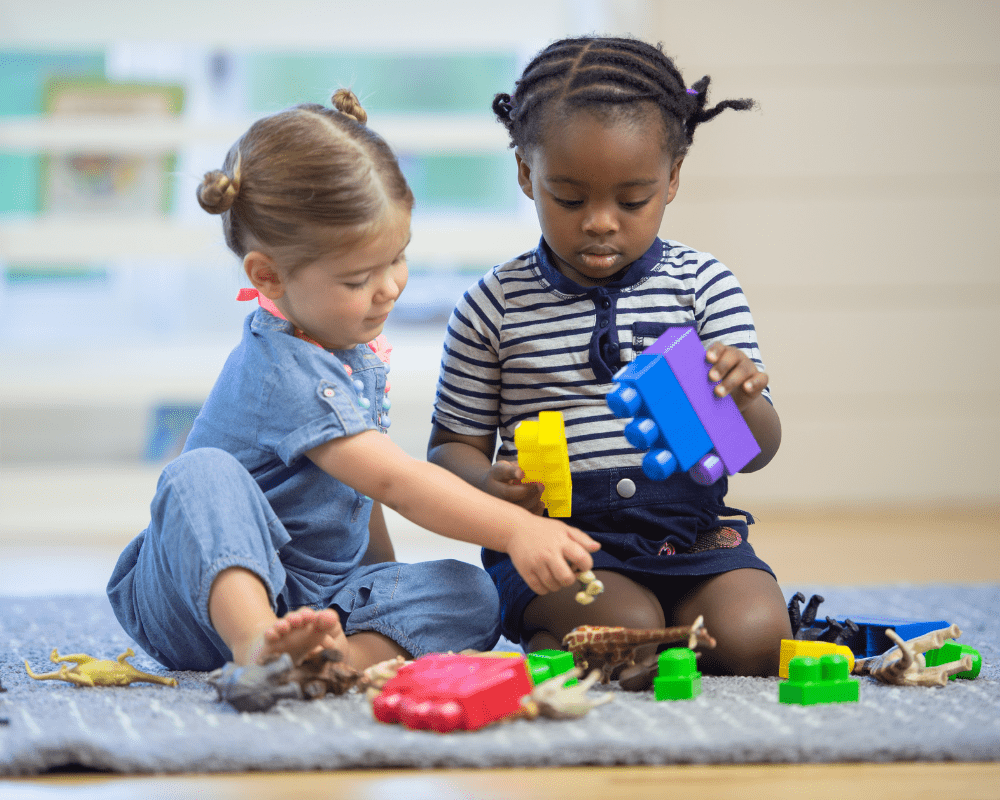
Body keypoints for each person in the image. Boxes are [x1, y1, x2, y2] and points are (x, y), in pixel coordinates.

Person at [107, 89, 599, 675]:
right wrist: (516, 527)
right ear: (269, 275)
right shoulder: (282, 367)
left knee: (473, 594)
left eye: (399, 257)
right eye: (360, 277)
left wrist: (381, 588)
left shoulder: (348, 352)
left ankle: (334, 662)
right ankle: (257, 647)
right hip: (197, 599)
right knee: (199, 473)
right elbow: (395, 480)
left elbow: (361, 496)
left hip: (315, 598)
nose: (391, 286)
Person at [428, 37, 793, 678]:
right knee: (628, 635)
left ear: (672, 178)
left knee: (757, 639)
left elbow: (756, 452)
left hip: (693, 533)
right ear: (524, 173)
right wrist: (492, 488)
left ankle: (661, 621)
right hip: (559, 543)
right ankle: (573, 630)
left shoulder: (703, 286)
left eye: (632, 200)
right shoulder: (492, 305)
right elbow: (449, 449)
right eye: (569, 199)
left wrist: (741, 401)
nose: (600, 222)